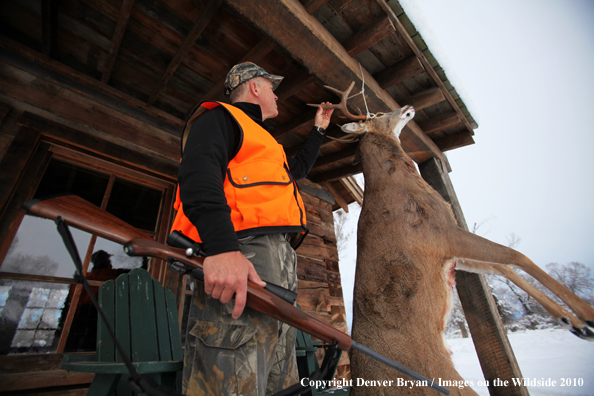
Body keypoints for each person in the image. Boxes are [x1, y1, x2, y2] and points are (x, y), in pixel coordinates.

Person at [171, 62, 334, 396]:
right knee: (234, 369)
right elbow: (198, 175)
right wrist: (222, 248)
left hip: (280, 257)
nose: (277, 96)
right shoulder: (221, 118)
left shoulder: (264, 141)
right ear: (255, 87)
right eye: (272, 88)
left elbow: (296, 170)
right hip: (242, 250)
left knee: (278, 364)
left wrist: (318, 130)